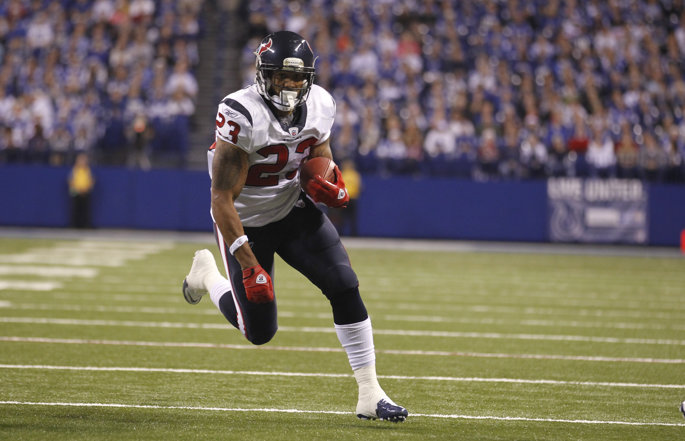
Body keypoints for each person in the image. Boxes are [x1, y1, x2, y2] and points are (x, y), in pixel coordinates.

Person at [182, 31, 408, 422]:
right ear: (262, 75)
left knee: (344, 282)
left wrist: (330, 182)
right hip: (245, 222)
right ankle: (208, 276)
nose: (289, 85)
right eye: (280, 77)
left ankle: (370, 394)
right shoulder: (240, 113)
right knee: (258, 331)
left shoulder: (321, 104)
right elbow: (221, 199)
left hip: (291, 209)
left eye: (297, 77)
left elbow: (320, 156)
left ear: (309, 78)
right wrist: (249, 263)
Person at [68, 152, 95, 228]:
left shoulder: (88, 170)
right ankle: (75, 225)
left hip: (85, 192)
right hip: (76, 192)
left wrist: (86, 189)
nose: (82, 162)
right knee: (76, 209)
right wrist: (76, 189)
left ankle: (85, 225)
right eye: (80, 160)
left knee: (85, 209)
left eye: (84, 160)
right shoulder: (75, 169)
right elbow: (70, 181)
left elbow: (91, 180)